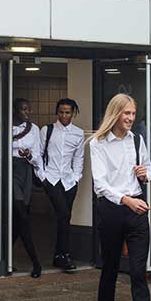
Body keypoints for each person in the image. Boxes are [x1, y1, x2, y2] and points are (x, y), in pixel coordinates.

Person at [89, 93, 151, 301]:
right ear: (115, 113)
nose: (130, 118)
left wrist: (145, 174)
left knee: (139, 272)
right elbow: (100, 184)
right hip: (111, 210)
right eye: (126, 113)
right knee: (110, 267)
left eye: (133, 113)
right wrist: (126, 200)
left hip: (137, 209)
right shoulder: (97, 143)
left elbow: (149, 170)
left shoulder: (137, 140)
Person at [39, 98, 85, 273]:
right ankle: (64, 255)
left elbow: (79, 158)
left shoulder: (78, 133)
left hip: (69, 181)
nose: (64, 115)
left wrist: (76, 178)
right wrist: (42, 176)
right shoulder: (47, 130)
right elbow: (39, 153)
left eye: (67, 112)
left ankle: (59, 256)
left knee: (64, 217)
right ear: (57, 112)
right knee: (64, 214)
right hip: (51, 179)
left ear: (73, 113)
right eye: (61, 112)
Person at [11, 98, 45, 278]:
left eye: (28, 109)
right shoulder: (6, 126)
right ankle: (36, 262)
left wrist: (30, 155)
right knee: (22, 216)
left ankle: (4, 257)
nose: (26, 112)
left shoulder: (34, 129)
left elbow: (38, 154)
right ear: (15, 110)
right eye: (23, 109)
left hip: (26, 171)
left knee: (19, 219)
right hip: (11, 172)